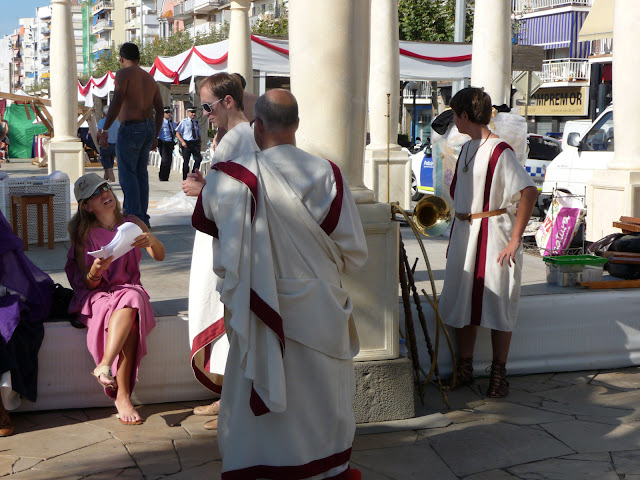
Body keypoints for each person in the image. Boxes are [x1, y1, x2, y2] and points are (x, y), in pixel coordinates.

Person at [193, 89, 367, 479]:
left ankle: (259, 464)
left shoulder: (228, 179)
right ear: (297, 125)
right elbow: (354, 254)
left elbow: (215, 233)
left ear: (257, 126)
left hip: (256, 307)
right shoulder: (327, 174)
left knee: (258, 396)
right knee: (319, 396)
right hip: (319, 308)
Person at [438, 87, 538, 398]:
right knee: (461, 301)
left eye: (455, 115)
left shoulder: (500, 150)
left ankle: (499, 375)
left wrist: (515, 239)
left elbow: (528, 191)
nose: (453, 121)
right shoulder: (467, 148)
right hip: (466, 232)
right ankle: (464, 369)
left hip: (494, 234)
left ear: (465, 116)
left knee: (498, 305)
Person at [185, 72, 258, 430]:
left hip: (230, 244)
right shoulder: (232, 137)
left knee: (235, 326)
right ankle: (228, 397)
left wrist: (202, 192)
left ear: (228, 101)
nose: (204, 113)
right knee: (227, 322)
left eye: (208, 106)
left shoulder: (243, 139)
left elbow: (240, 198)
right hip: (217, 239)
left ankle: (236, 404)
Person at [65, 172, 165, 425]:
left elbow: (159, 255)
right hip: (97, 295)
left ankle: (105, 365)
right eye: (95, 194)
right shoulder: (84, 235)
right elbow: (87, 283)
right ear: (87, 207)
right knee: (130, 315)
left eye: (105, 188)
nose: (104, 194)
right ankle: (122, 396)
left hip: (129, 290)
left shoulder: (132, 223)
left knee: (130, 297)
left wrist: (151, 240)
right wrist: (96, 270)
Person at [100, 42, 163, 228]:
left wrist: (105, 129)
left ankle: (133, 219)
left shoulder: (123, 74)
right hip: (148, 128)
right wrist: (156, 135)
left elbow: (117, 101)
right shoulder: (150, 79)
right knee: (141, 174)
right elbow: (160, 110)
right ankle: (143, 218)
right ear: (139, 58)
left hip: (131, 128)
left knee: (128, 174)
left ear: (121, 58)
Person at [210, 73, 257, 152]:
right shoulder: (255, 99)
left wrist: (217, 139)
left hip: (231, 139)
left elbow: (222, 124)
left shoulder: (229, 100)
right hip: (250, 138)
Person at [175, 107, 202, 181]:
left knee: (198, 159)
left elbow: (199, 134)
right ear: (188, 112)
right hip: (187, 143)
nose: (193, 114)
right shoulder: (184, 122)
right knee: (186, 161)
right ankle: (185, 177)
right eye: (192, 112)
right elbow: (177, 133)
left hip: (195, 143)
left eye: (194, 112)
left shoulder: (196, 122)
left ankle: (193, 174)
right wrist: (182, 141)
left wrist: (199, 143)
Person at [97, 105, 119, 183]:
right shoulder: (116, 123)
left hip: (106, 144)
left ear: (103, 113)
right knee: (109, 162)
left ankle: (112, 179)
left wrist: (98, 141)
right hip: (115, 145)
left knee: (107, 164)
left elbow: (99, 133)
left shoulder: (102, 121)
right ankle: (105, 178)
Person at [157, 106, 177, 181]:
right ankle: (162, 176)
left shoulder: (172, 123)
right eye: (166, 112)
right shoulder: (161, 123)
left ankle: (166, 177)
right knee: (165, 160)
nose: (168, 114)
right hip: (163, 143)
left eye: (169, 112)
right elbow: (157, 133)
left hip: (170, 143)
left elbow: (178, 128)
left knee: (169, 160)